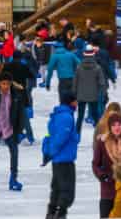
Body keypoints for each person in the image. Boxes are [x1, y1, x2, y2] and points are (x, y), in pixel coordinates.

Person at [90, 103, 121, 219]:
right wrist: (102, 176)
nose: (117, 127)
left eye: (119, 124)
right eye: (114, 125)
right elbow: (95, 164)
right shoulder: (102, 142)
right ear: (110, 127)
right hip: (108, 189)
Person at [40, 86, 80, 219]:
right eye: (75, 101)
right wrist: (50, 152)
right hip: (64, 159)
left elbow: (48, 135)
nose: (77, 104)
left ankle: (51, 212)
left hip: (58, 159)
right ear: (70, 102)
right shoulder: (66, 117)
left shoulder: (57, 116)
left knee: (57, 187)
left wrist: (47, 152)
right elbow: (60, 138)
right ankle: (59, 214)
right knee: (67, 190)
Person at [73, 44, 108, 132]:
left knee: (80, 117)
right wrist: (102, 94)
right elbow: (102, 83)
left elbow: (75, 82)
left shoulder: (79, 67)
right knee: (96, 117)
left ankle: (77, 136)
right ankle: (99, 135)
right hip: (93, 96)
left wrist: (74, 94)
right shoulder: (97, 68)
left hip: (81, 96)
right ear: (93, 54)